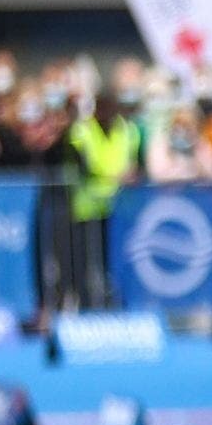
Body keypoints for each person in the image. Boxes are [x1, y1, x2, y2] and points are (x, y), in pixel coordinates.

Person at [62, 90, 140, 309]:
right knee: (85, 264)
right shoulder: (82, 131)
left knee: (115, 262)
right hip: (87, 207)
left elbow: (134, 161)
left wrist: (132, 174)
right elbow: (84, 165)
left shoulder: (128, 130)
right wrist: (115, 176)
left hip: (119, 208)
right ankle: (87, 307)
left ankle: (117, 305)